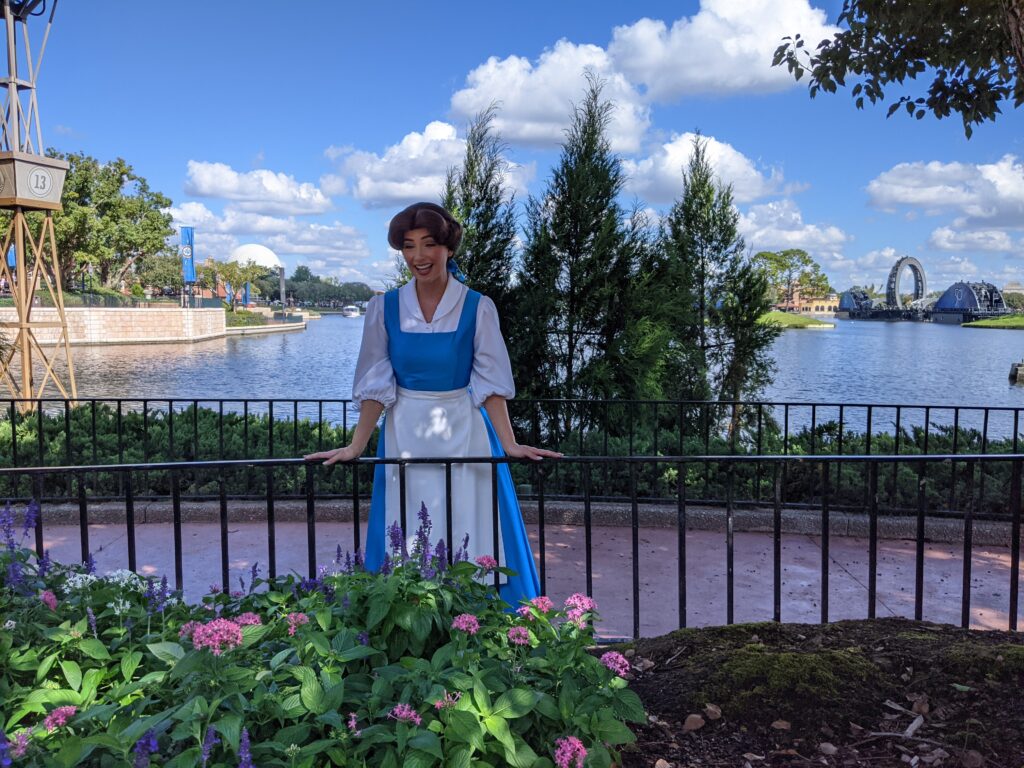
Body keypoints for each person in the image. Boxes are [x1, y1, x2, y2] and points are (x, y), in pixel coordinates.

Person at [305, 202, 560, 605]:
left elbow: (489, 384)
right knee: (404, 525)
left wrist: (509, 444)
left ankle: (480, 625)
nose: (418, 257)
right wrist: (357, 445)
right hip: (405, 432)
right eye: (408, 246)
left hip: (466, 432)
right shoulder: (383, 307)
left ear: (449, 249)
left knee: (474, 525)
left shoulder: (478, 306)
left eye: (428, 244)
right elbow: (376, 385)